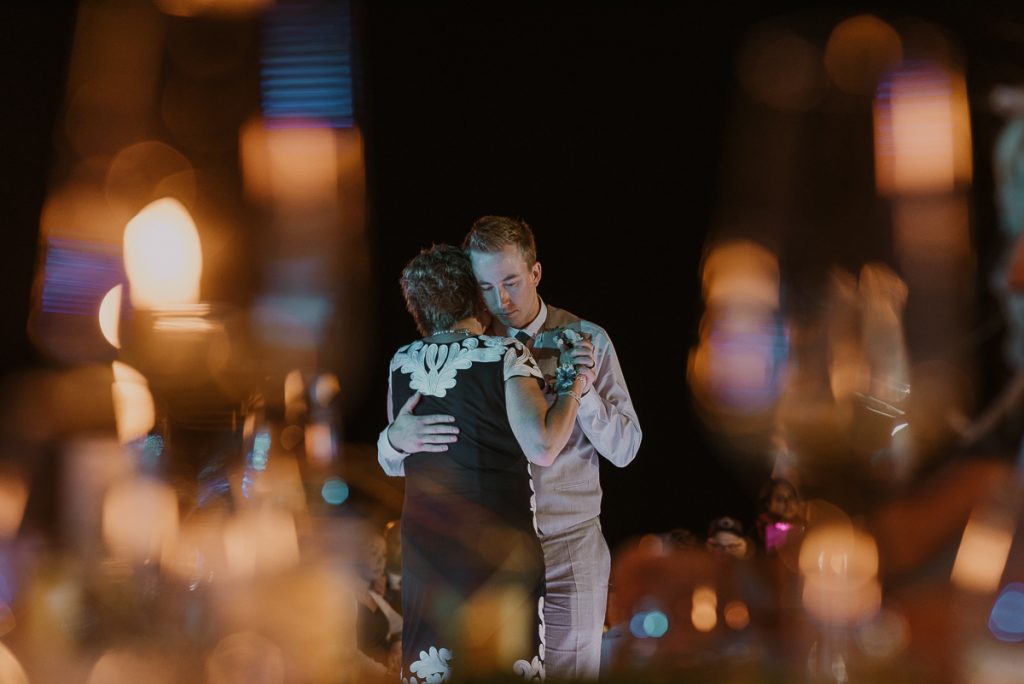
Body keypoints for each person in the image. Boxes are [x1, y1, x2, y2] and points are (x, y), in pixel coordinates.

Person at [379, 216, 642, 680]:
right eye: (484, 287)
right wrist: (392, 440)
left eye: (511, 282)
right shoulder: (470, 349)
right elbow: (415, 459)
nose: (500, 300)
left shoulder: (589, 338)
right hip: (491, 562)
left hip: (568, 548)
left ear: (536, 273)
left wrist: (582, 392)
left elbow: (625, 448)